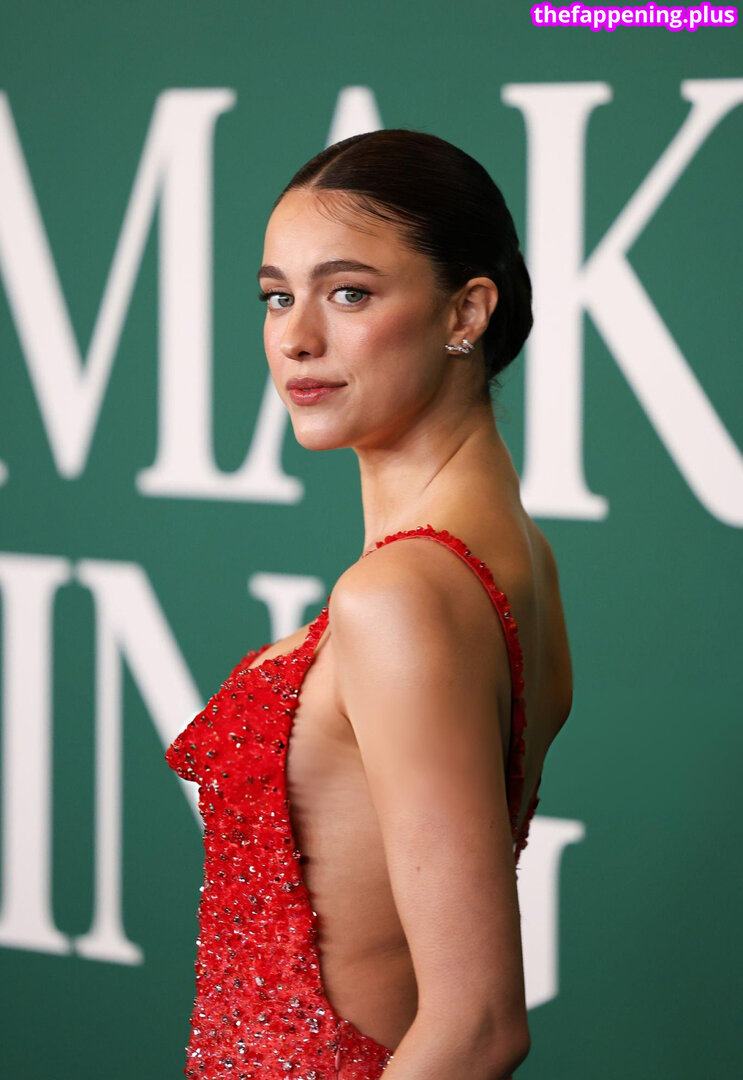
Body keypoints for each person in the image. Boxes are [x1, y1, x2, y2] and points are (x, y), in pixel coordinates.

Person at [165, 128, 573, 1080]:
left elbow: (476, 1028)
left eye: (348, 292)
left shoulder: (403, 593)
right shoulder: (509, 555)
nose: (295, 338)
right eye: (277, 296)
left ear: (466, 310)